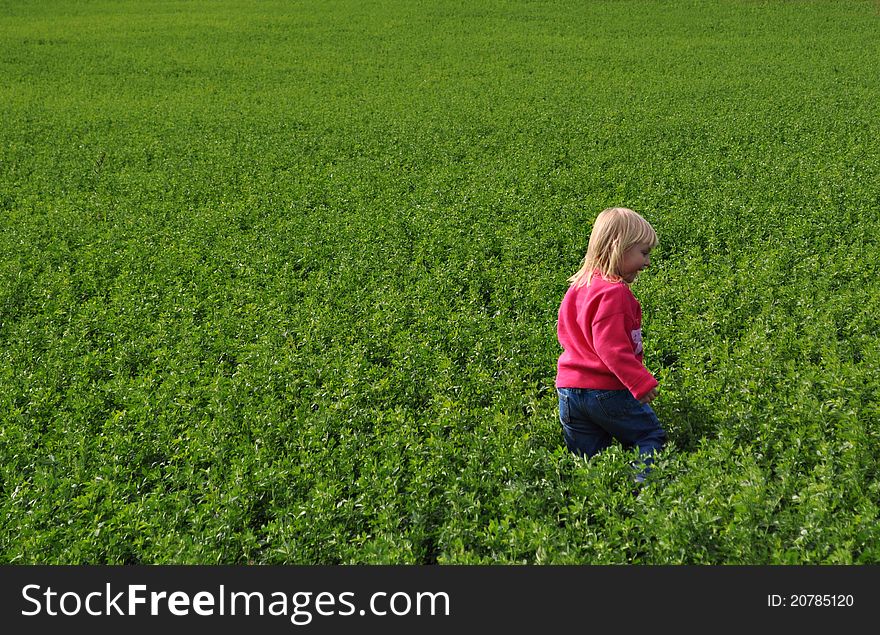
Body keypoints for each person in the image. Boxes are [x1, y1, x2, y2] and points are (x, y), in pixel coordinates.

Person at [555, 207, 666, 483]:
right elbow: (611, 349)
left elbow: (565, 332)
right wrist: (640, 383)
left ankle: (597, 506)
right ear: (620, 248)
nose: (647, 262)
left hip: (568, 391)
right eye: (643, 253)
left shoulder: (579, 286)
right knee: (648, 436)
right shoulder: (613, 293)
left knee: (588, 460)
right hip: (605, 390)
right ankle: (645, 492)